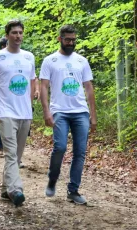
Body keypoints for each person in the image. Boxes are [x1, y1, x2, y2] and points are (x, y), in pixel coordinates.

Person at [40, 25, 97, 205]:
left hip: (80, 111)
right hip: (60, 111)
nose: (71, 43)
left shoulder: (82, 61)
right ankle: (52, 178)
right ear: (60, 39)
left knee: (80, 152)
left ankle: (73, 191)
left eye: (73, 40)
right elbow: (43, 87)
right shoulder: (50, 60)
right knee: (61, 147)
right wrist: (46, 111)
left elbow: (88, 88)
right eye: (67, 40)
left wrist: (93, 114)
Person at [0, 20, 36, 207]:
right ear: (7, 36)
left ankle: (5, 189)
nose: (18, 36)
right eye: (14, 32)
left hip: (25, 112)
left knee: (17, 154)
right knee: (11, 153)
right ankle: (16, 189)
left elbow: (32, 80)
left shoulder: (29, 57)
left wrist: (33, 97)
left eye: (21, 32)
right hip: (5, 110)